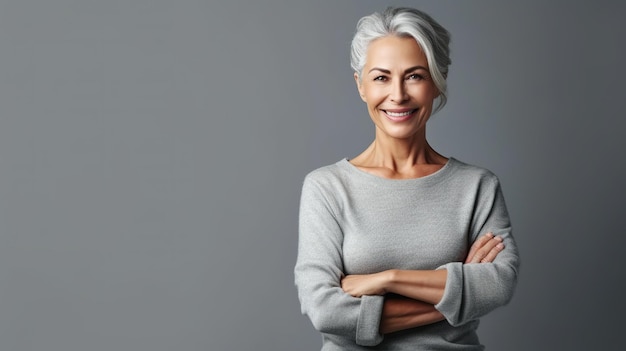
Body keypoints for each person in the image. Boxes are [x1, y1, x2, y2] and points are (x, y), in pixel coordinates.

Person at [294, 6, 520, 350]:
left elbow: (499, 285)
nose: (398, 94)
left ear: (436, 81)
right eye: (381, 77)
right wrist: (459, 290)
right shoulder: (327, 188)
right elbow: (326, 311)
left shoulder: (477, 187)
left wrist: (386, 279)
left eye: (414, 75)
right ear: (361, 86)